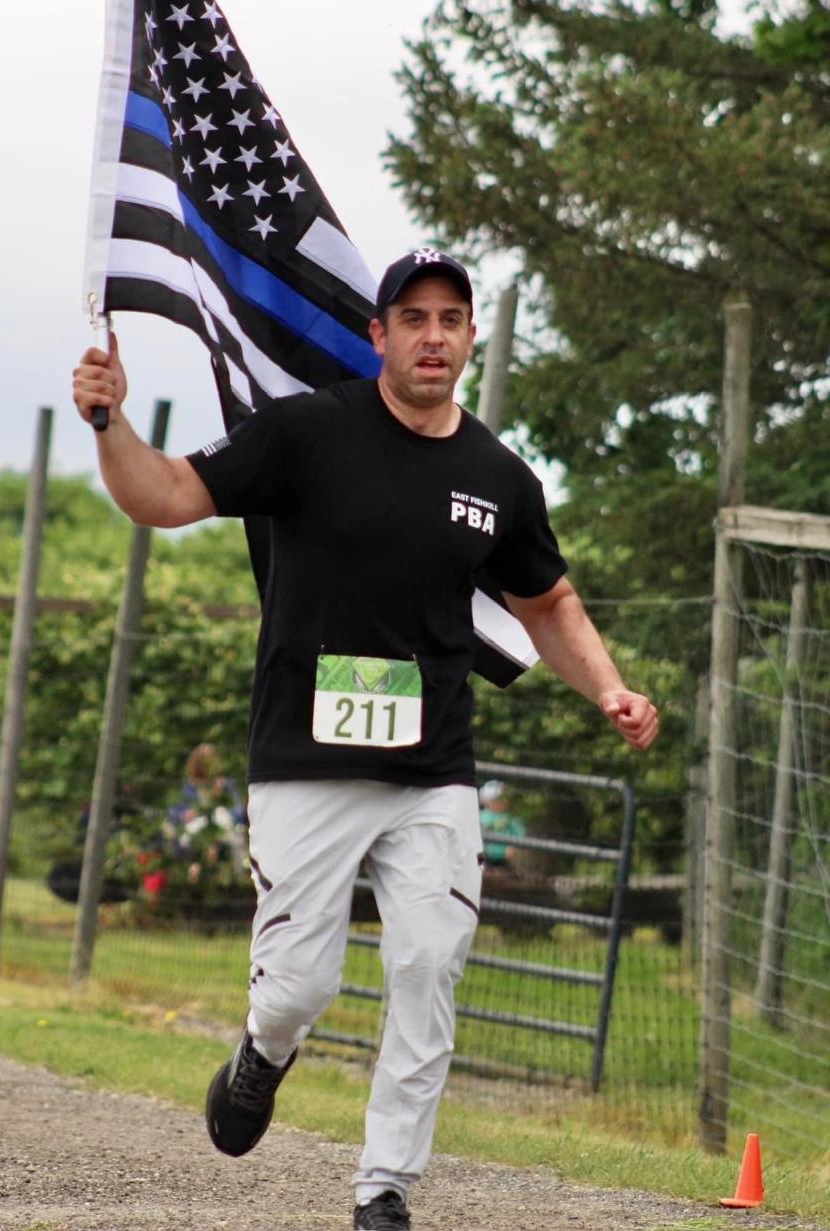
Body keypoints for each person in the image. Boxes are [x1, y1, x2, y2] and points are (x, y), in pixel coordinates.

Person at [72, 248, 659, 1231]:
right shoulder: (308, 432)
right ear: (379, 333)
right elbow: (164, 495)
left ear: (470, 338)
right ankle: (264, 1049)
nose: (434, 335)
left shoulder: (499, 477)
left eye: (451, 319)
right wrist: (109, 421)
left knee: (430, 966)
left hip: (433, 775)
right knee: (302, 984)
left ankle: (384, 1188)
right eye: (413, 317)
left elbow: (546, 599)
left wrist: (610, 686)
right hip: (306, 765)